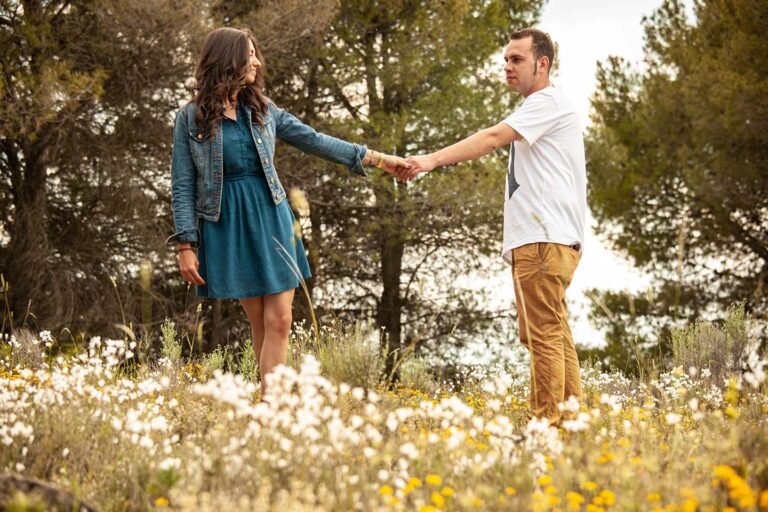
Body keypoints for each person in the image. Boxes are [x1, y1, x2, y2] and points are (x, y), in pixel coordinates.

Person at [167, 27, 408, 394]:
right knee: (260, 325)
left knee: (280, 319)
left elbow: (317, 141)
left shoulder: (265, 111)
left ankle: (272, 408)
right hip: (228, 224)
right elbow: (183, 185)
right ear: (228, 58)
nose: (257, 62)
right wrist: (186, 244)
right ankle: (269, 407)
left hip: (273, 216)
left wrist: (379, 159)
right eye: (250, 55)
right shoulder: (190, 119)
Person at [403, 28, 586, 426]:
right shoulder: (542, 108)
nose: (507, 67)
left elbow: (491, 138)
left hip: (543, 241)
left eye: (517, 60)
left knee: (543, 336)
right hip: (543, 242)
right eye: (505, 60)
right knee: (547, 333)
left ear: (543, 64)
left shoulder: (546, 101)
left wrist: (429, 160)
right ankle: (572, 427)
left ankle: (546, 429)